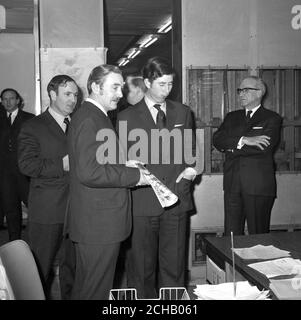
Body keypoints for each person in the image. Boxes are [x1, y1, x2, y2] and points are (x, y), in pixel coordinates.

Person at [117, 56, 197, 299]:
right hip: (142, 202)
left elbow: (191, 151)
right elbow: (122, 161)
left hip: (176, 199)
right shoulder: (126, 118)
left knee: (173, 267)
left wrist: (191, 171)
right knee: (141, 269)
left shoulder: (183, 112)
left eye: (170, 84)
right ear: (147, 82)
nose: (167, 90)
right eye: (162, 84)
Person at [67, 64, 149, 300]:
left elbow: (97, 162)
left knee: (90, 289)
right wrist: (135, 176)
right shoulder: (90, 119)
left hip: (98, 223)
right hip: (98, 225)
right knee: (94, 292)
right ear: (95, 86)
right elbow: (89, 172)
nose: (120, 94)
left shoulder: (95, 116)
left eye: (121, 88)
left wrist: (125, 164)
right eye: (114, 87)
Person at [18, 75, 78, 299]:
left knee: (72, 269)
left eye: (75, 95)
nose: (73, 100)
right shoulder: (33, 126)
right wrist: (60, 165)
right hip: (47, 210)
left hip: (77, 210)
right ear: (52, 95)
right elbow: (26, 164)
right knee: (40, 269)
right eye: (67, 94)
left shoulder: (79, 123)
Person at [213, 76, 282, 236]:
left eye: (246, 90)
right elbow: (217, 140)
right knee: (231, 235)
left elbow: (263, 148)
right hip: (232, 184)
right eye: (239, 91)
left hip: (258, 185)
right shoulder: (232, 117)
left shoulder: (272, 118)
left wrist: (231, 147)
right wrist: (244, 140)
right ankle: (232, 262)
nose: (241, 94)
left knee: (258, 236)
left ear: (259, 93)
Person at [0, 88, 34, 241]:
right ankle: (15, 243)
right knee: (11, 210)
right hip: (5, 174)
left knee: (34, 208)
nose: (8, 102)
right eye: (4, 99)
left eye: (11, 98)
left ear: (18, 100)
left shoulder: (30, 119)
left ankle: (36, 242)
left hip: (25, 173)